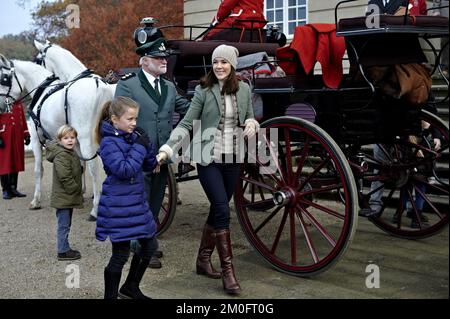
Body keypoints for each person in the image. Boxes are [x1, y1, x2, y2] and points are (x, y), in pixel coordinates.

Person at [157, 44, 259, 295]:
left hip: (233, 157)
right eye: (216, 62)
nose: (219, 67)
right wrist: (168, 149)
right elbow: (187, 123)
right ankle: (228, 272)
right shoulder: (204, 90)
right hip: (208, 159)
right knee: (224, 209)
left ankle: (203, 259)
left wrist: (251, 122)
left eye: (224, 62)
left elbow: (249, 115)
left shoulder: (244, 89)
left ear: (233, 65)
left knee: (218, 207)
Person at [114, 36, 190, 269]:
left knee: (156, 199)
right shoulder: (128, 85)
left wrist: (209, 103)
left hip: (163, 154)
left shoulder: (167, 86)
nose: (163, 60)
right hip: (138, 154)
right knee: (139, 199)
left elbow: (187, 108)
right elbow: (121, 121)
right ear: (144, 61)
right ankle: (140, 246)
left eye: (165, 57)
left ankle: (146, 239)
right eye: (158, 57)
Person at [95, 96, 159, 299]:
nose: (134, 123)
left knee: (150, 246)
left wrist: (148, 146)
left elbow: (149, 166)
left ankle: (130, 287)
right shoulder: (108, 143)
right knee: (120, 255)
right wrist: (139, 147)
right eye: (130, 119)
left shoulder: (129, 137)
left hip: (137, 203)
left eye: (136, 119)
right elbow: (124, 170)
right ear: (114, 119)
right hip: (118, 205)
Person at [46, 125, 83, 261]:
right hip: (64, 196)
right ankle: (62, 251)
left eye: (72, 138)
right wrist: (74, 188)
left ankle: (65, 247)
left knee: (66, 224)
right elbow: (65, 176)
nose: (70, 140)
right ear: (60, 140)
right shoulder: (61, 155)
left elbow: (73, 169)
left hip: (66, 196)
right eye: (66, 138)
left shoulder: (70, 152)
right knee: (64, 225)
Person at [0, 101, 30, 200]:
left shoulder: (18, 103)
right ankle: (5, 189)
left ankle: (13, 188)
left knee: (15, 162)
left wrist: (26, 134)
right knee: (4, 164)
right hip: (4, 136)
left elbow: (23, 119)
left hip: (17, 136)